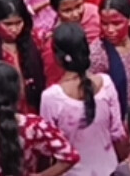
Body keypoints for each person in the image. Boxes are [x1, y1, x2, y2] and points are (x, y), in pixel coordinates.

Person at [40, 24, 121, 176]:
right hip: (110, 169)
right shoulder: (106, 83)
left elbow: (47, 147)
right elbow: (117, 132)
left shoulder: (51, 97)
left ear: (57, 57)